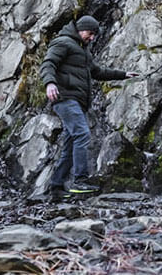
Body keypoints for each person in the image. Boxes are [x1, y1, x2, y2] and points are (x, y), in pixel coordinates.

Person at [41, 15, 138, 198]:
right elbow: (48, 63)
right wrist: (50, 83)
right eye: (90, 33)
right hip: (65, 97)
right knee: (82, 134)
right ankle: (80, 181)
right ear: (81, 29)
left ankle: (57, 187)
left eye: (94, 35)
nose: (92, 38)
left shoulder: (82, 50)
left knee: (71, 143)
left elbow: (98, 72)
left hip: (76, 101)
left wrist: (123, 74)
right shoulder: (63, 42)